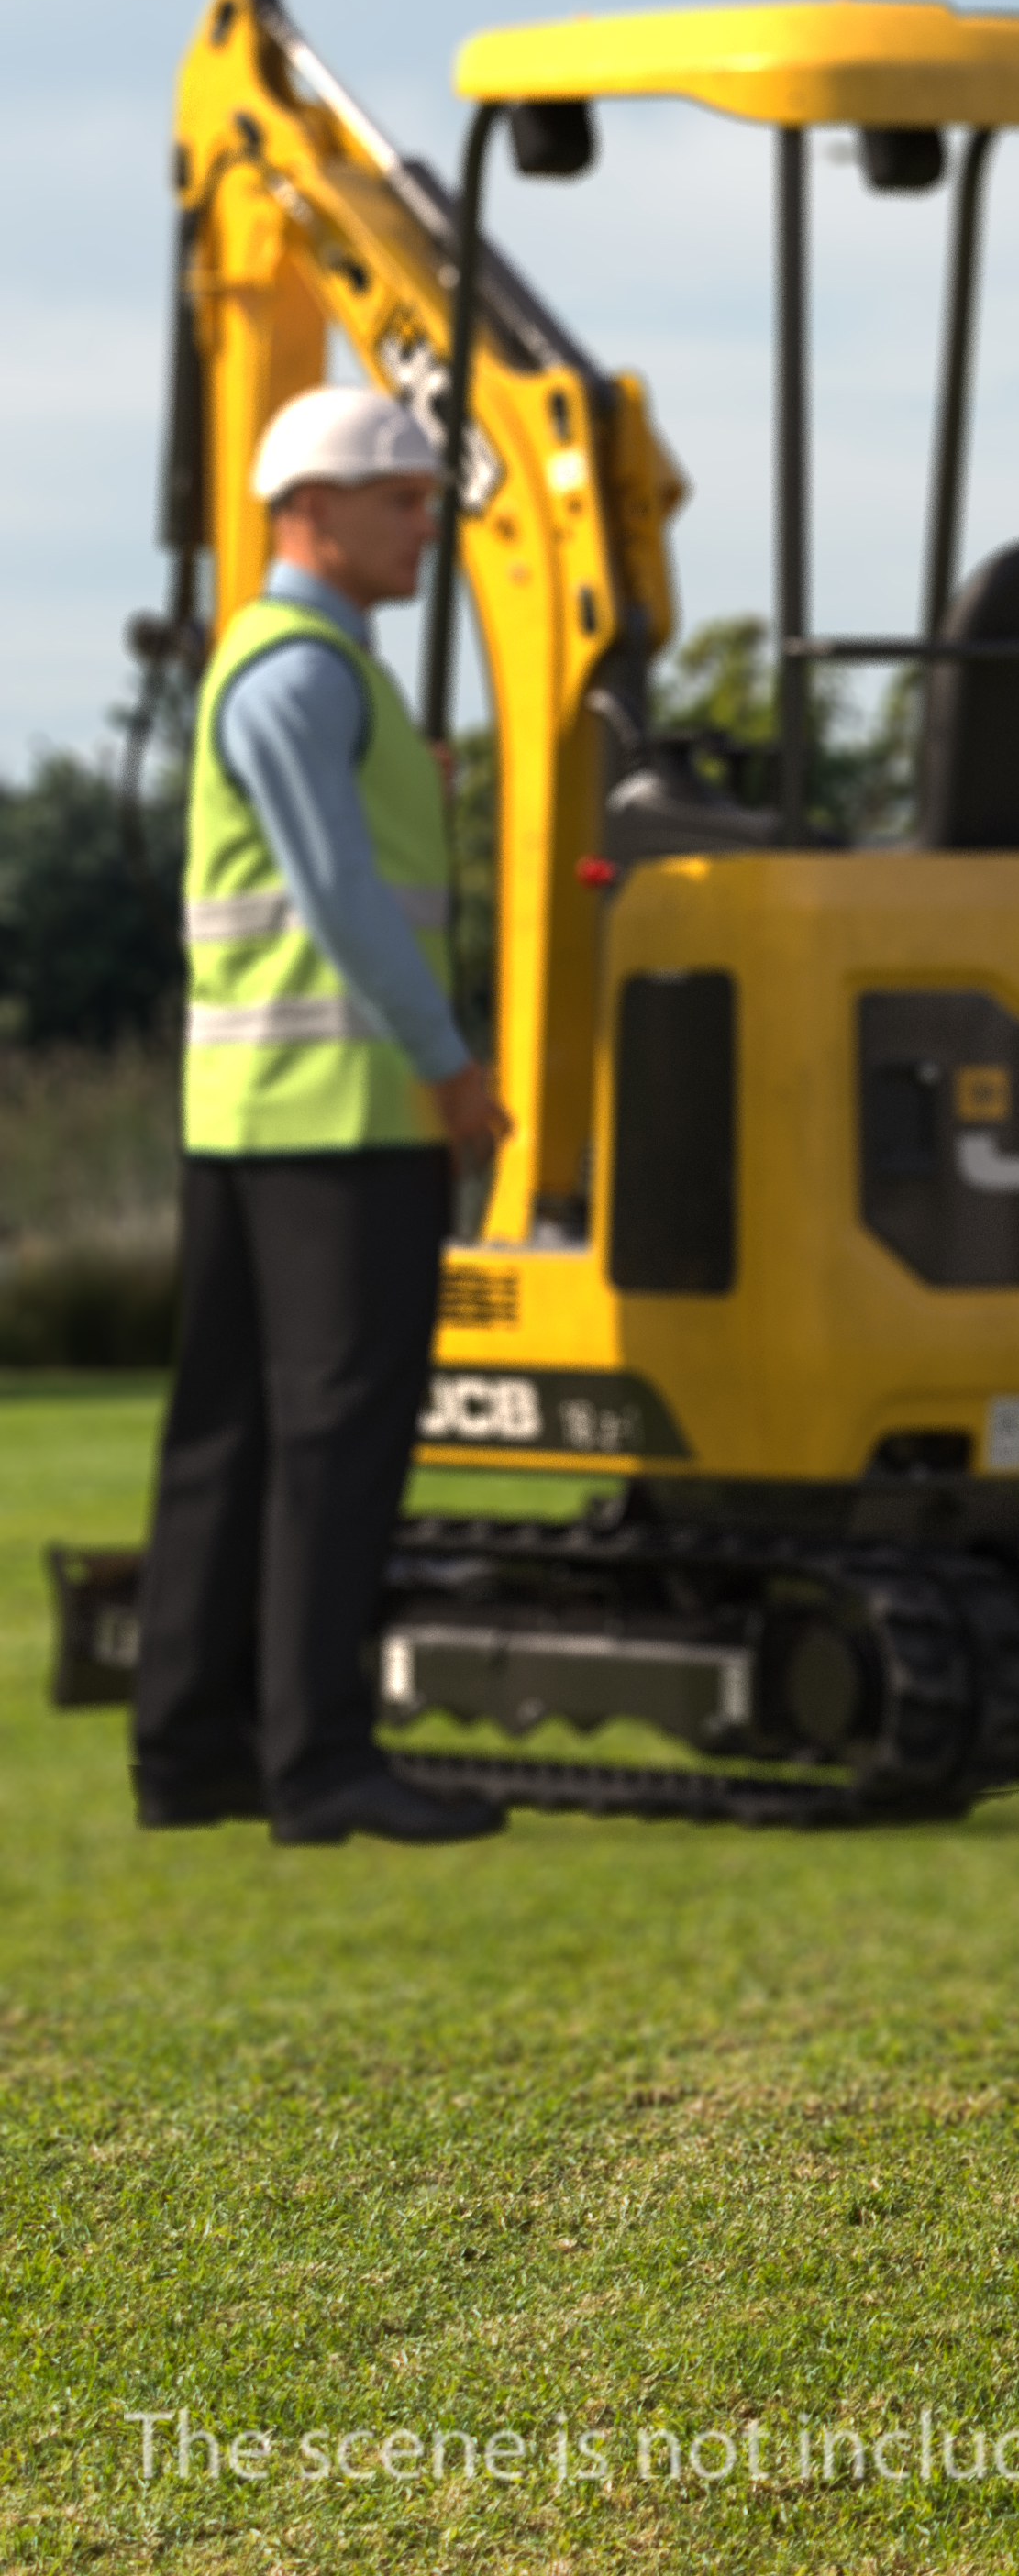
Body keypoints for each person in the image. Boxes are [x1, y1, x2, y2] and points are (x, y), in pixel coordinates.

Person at [131, 383, 514, 1847]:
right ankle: (322, 1762)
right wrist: (448, 1061)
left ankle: (192, 1752)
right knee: (335, 1443)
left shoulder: (306, 669)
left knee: (224, 1435)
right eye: (402, 498)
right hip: (346, 1117)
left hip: (249, 1114)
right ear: (310, 511)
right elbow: (344, 903)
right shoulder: (305, 672)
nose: (430, 523)